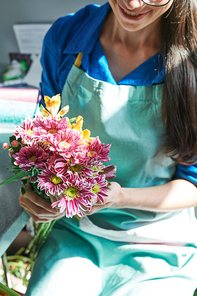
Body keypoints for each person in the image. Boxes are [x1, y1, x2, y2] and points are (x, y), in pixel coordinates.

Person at [20, 0, 197, 295]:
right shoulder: (67, 36)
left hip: (159, 243)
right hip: (77, 231)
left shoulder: (189, 59)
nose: (133, 3)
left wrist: (119, 197)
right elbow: (44, 137)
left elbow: (192, 184)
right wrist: (37, 190)